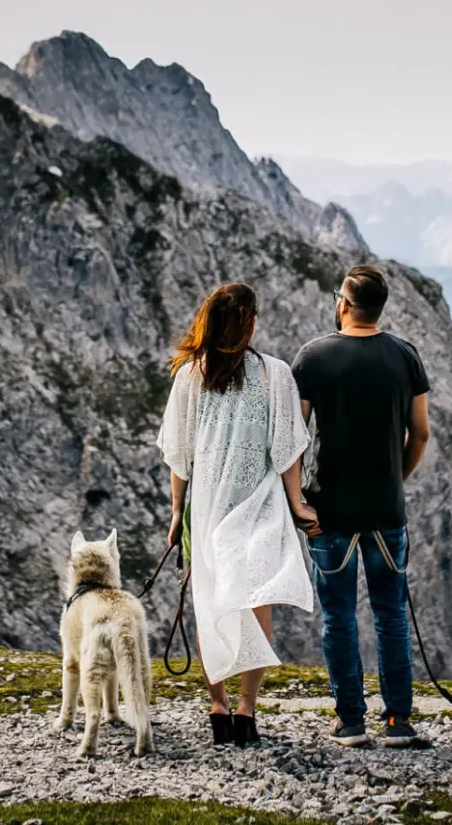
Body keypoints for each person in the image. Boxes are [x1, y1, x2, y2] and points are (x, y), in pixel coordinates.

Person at [158, 282, 323, 747]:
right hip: (259, 504)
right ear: (248, 321)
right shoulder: (274, 374)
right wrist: (297, 503)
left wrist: (176, 512)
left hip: (207, 506)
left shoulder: (190, 375)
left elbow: (179, 455)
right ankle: (247, 711)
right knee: (256, 602)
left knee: (209, 600)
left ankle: (218, 706)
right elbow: (288, 447)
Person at [292, 265, 432, 748]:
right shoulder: (405, 356)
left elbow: (293, 439)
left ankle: (350, 720)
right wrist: (397, 479)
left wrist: (297, 503)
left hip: (329, 513)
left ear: (344, 304)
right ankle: (398, 721)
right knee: (390, 613)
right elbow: (422, 433)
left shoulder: (313, 358)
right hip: (386, 511)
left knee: (339, 616)